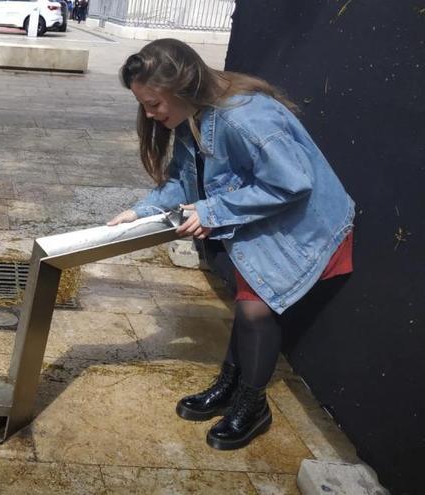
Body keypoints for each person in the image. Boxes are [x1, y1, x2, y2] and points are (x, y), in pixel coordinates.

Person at [108, 39, 355, 450]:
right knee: (247, 300)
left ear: (182, 87)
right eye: (144, 105)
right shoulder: (193, 114)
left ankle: (253, 404)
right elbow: (183, 180)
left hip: (307, 224)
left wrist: (213, 212)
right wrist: (141, 212)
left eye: (153, 103)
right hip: (265, 213)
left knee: (255, 310)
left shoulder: (244, 119)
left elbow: (293, 183)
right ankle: (229, 385)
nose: (149, 114)